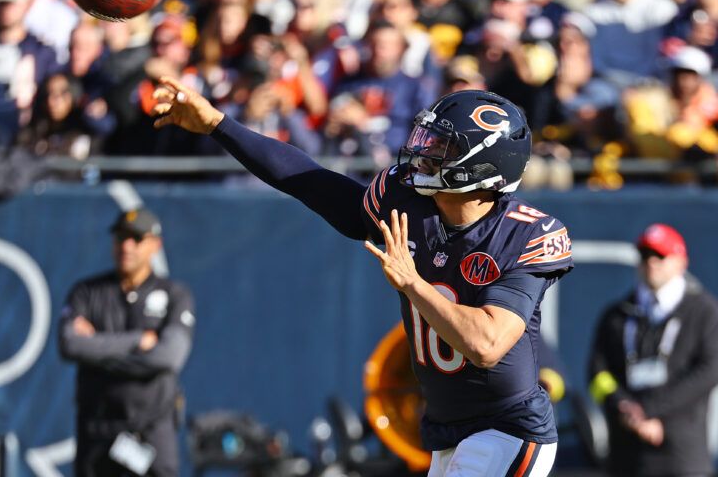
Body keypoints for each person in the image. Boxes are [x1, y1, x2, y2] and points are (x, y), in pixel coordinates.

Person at [152, 77, 574, 476]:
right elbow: (307, 180)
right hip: (448, 428)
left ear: (482, 165)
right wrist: (219, 126)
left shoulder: (523, 235)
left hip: (508, 430)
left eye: (442, 146)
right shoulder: (407, 203)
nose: (423, 151)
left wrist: (413, 284)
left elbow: (486, 345)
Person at [59, 207, 195, 477]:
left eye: (137, 239)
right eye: (121, 238)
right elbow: (71, 345)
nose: (127, 246)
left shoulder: (174, 294)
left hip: (152, 429)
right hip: (97, 428)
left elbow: (168, 357)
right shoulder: (87, 292)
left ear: (156, 245)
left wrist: (98, 348)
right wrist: (137, 341)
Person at [588, 223, 718, 477]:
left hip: (682, 453)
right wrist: (626, 409)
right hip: (626, 453)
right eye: (645, 255)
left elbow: (710, 371)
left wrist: (652, 411)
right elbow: (597, 374)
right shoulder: (617, 315)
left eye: (660, 255)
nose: (651, 262)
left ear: (681, 262)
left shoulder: (704, 311)